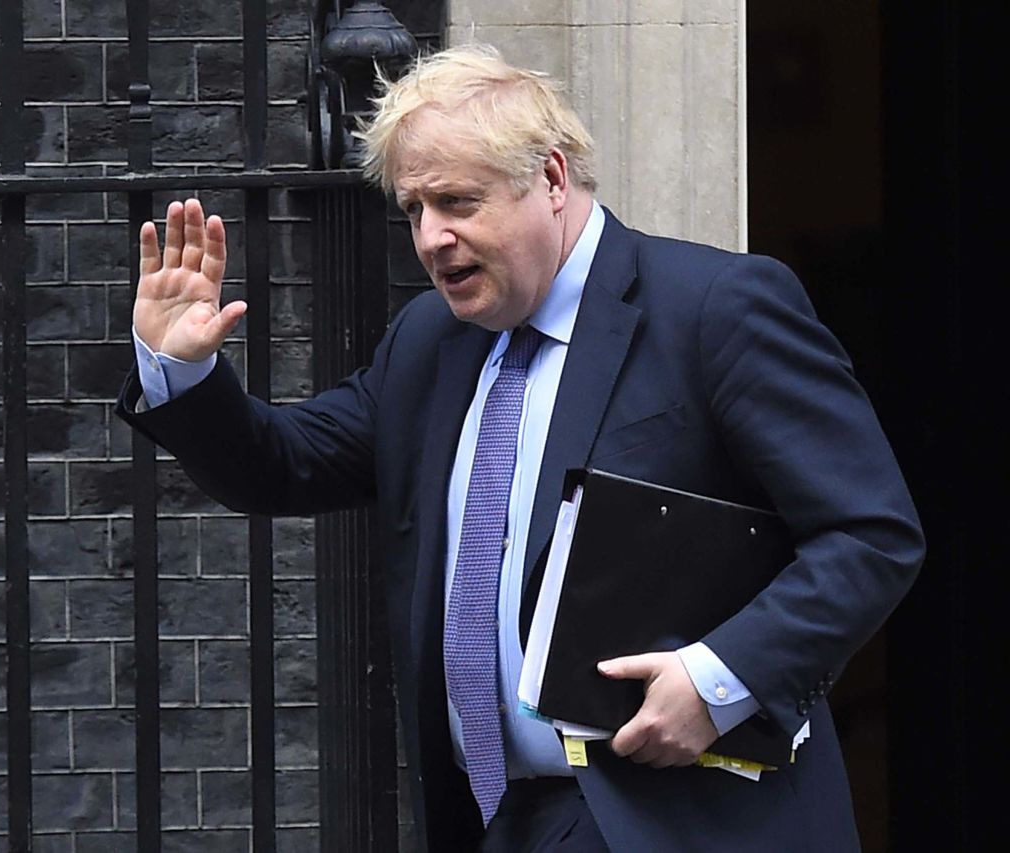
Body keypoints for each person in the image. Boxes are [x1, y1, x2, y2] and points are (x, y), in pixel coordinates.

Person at [116, 44, 923, 852]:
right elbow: (284, 462)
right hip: (497, 823)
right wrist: (184, 369)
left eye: (458, 201)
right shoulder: (431, 342)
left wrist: (719, 680)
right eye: (414, 210)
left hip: (685, 820)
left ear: (552, 179)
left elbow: (869, 535)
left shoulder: (717, 309)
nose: (432, 237)